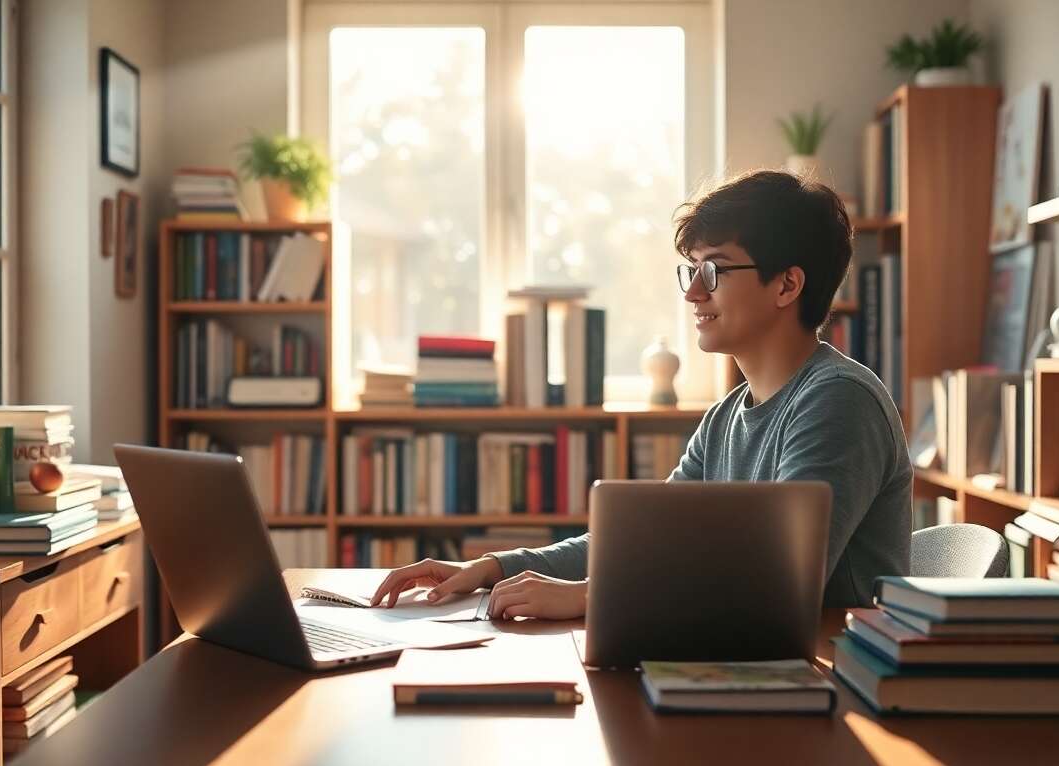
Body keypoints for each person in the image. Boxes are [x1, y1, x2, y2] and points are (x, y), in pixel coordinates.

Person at [371, 170, 912, 619]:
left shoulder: (838, 401)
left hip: (832, 688)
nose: (694, 292)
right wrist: (494, 567)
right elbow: (644, 543)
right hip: (751, 665)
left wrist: (588, 597)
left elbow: (782, 581)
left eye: (714, 270)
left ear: (786, 285)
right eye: (691, 270)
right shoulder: (726, 417)